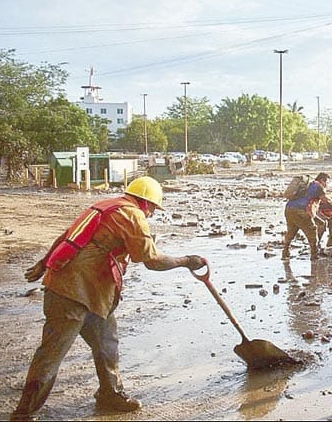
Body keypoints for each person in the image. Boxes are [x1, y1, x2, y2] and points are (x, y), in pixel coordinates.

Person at [11, 176, 206, 421]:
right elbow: (152, 261)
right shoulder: (133, 216)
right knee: (52, 353)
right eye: (155, 208)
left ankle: (110, 394)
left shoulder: (104, 206)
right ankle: (24, 413)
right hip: (70, 292)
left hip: (93, 292)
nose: (154, 214)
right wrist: (186, 261)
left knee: (107, 342)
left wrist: (44, 263)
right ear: (146, 203)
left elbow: (67, 236)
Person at [283, 172, 332, 260]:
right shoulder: (319, 187)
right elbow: (325, 201)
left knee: (292, 230)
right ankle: (314, 256)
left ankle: (285, 252)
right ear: (322, 180)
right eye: (327, 182)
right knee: (312, 232)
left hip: (289, 209)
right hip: (301, 211)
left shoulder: (308, 185)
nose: (327, 185)